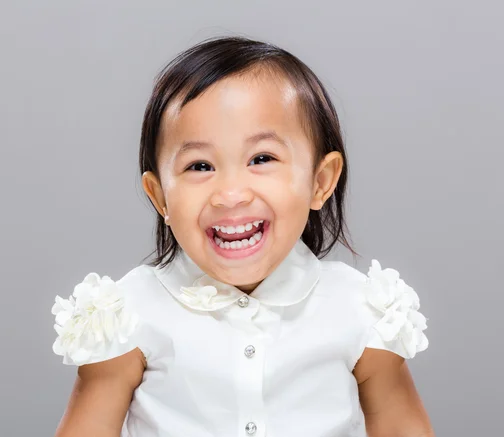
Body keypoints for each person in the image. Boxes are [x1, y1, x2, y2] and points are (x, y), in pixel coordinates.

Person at [50, 36, 433, 437]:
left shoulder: (358, 310)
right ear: (160, 196)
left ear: (320, 181)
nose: (231, 194)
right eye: (200, 166)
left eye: (261, 159)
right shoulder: (130, 314)